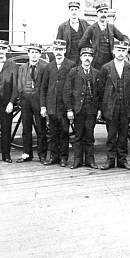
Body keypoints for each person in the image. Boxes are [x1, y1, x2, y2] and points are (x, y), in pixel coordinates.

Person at [96, 39, 130, 170]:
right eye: (118, 50)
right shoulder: (106, 68)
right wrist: (101, 108)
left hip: (125, 106)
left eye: (123, 51)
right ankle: (110, 160)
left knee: (124, 134)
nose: (120, 53)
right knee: (111, 134)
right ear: (113, 51)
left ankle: (122, 160)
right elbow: (100, 90)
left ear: (126, 53)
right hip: (110, 107)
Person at [40, 39, 75, 167]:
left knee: (65, 132)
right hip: (52, 106)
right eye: (56, 50)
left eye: (61, 50)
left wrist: (70, 107)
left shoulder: (71, 65)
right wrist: (43, 106)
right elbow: (44, 88)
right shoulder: (49, 67)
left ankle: (63, 158)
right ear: (53, 51)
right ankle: (53, 156)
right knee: (53, 132)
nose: (59, 53)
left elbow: (73, 88)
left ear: (65, 50)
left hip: (64, 106)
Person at [63, 47, 100, 169]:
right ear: (80, 58)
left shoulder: (96, 73)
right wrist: (69, 110)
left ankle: (90, 161)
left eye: (89, 56)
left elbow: (99, 93)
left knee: (90, 136)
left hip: (91, 110)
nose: (87, 59)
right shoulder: (74, 72)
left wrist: (99, 109)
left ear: (92, 58)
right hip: (78, 109)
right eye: (85, 56)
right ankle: (77, 161)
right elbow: (67, 92)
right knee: (78, 136)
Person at [16, 43, 48, 164]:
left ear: (40, 54)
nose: (34, 54)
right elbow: (19, 83)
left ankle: (42, 155)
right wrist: (21, 96)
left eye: (36, 52)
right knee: (26, 128)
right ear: (28, 53)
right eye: (32, 52)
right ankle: (27, 153)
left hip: (39, 99)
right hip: (25, 100)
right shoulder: (22, 68)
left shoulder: (45, 67)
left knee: (41, 128)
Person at [78, 3, 129, 70]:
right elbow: (81, 44)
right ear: (97, 14)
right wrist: (92, 48)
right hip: (96, 61)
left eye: (105, 12)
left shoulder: (111, 27)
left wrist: (126, 42)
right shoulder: (91, 28)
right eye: (101, 12)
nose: (103, 14)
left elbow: (122, 37)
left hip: (110, 60)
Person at [56, 1, 90, 65]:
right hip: (69, 57)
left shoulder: (85, 24)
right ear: (69, 11)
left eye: (76, 10)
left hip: (83, 57)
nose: (74, 12)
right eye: (72, 10)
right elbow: (58, 45)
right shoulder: (62, 27)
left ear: (79, 11)